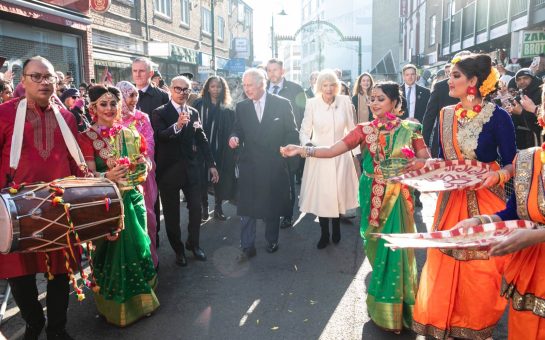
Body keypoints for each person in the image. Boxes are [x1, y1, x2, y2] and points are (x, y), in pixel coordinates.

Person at [281, 81, 430, 332]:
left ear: (395, 102)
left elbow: (425, 158)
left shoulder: (411, 129)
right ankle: (384, 307)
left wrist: (413, 163)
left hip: (398, 197)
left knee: (396, 250)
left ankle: (396, 311)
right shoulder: (363, 129)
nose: (373, 103)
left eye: (380, 99)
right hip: (372, 193)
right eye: (371, 99)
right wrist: (301, 150)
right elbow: (330, 150)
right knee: (375, 248)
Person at [413, 54, 517, 339]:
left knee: (482, 269)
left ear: (473, 82)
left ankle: (475, 326)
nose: (450, 79)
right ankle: (445, 322)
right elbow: (442, 159)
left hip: (486, 198)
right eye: (450, 74)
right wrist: (424, 165)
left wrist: (498, 175)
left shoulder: (498, 117)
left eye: (456, 75)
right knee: (445, 260)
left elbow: (513, 162)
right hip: (452, 200)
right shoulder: (447, 114)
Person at [0, 56, 82, 340]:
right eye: (36, 76)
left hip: (58, 208)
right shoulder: (4, 113)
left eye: (49, 77)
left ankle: (57, 329)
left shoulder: (68, 117)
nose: (44, 82)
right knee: (20, 275)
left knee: (60, 274)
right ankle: (34, 322)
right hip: (15, 211)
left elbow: (75, 165)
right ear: (23, 80)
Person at [451, 105, 545, 339]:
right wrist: (481, 220)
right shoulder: (530, 159)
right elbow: (514, 210)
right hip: (529, 271)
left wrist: (537, 235)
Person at [78, 85, 159, 327]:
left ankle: (142, 301)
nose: (109, 109)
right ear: (93, 108)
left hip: (133, 200)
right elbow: (85, 176)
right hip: (106, 204)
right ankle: (115, 307)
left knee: (137, 248)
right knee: (110, 254)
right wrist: (108, 176)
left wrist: (143, 166)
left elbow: (146, 163)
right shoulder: (87, 137)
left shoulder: (130, 133)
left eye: (113, 103)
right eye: (103, 104)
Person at [228, 68, 298, 261]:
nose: (246, 88)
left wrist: (288, 151)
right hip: (249, 164)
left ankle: (272, 240)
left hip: (273, 163)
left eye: (249, 84)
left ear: (262, 84)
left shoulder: (282, 104)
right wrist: (234, 137)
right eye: (244, 85)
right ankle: (247, 245)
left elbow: (292, 132)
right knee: (247, 207)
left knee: (272, 205)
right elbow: (238, 129)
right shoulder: (242, 107)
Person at [152, 76, 218, 266]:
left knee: (196, 210)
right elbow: (159, 137)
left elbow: (202, 139)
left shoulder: (194, 112)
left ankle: (194, 244)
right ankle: (178, 250)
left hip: (191, 170)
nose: (181, 93)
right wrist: (178, 126)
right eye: (178, 89)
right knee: (172, 216)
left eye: (185, 90)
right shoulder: (160, 113)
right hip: (168, 172)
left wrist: (212, 164)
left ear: (190, 92)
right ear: (171, 90)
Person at [298, 70, 359, 249]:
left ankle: (337, 228)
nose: (329, 88)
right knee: (323, 196)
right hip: (320, 155)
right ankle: (324, 233)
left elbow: (352, 130)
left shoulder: (345, 101)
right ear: (319, 87)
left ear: (337, 86)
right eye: (325, 85)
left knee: (338, 193)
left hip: (341, 155)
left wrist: (357, 154)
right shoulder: (312, 104)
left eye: (332, 84)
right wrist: (308, 146)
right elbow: (304, 130)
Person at [116, 80, 159, 268]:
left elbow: (149, 143)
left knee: (146, 218)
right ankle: (127, 267)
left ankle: (149, 262)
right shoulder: (111, 118)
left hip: (142, 176)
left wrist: (141, 160)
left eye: (135, 95)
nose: (134, 99)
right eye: (130, 95)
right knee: (122, 222)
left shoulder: (142, 118)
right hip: (119, 178)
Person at [132, 57, 169, 248]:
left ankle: (154, 236)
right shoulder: (125, 94)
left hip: (157, 154)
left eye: (142, 71)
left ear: (150, 73)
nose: (138, 75)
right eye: (135, 71)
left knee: (153, 197)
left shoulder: (162, 96)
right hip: (131, 156)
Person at [266, 58, 307, 229]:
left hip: (289, 144)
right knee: (268, 180)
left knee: (288, 182)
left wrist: (300, 143)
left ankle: (288, 215)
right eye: (269, 70)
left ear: (282, 71)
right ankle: (270, 211)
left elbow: (305, 117)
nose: (272, 73)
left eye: (275, 70)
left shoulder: (296, 89)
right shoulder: (263, 90)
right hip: (267, 145)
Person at [193, 76, 237, 221]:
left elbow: (232, 128)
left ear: (223, 89)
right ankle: (204, 209)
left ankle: (218, 208)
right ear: (207, 88)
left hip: (221, 148)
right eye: (212, 86)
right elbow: (192, 125)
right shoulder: (199, 104)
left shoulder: (228, 107)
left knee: (220, 178)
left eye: (219, 87)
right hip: (202, 148)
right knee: (201, 179)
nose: (216, 89)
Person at [422, 51, 472, 157]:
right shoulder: (441, 87)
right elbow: (429, 118)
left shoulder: (479, 86)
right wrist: (424, 146)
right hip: (443, 146)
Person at [505, 68, 543, 149]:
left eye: (525, 78)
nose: (522, 81)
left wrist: (521, 112)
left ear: (532, 79)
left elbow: (539, 123)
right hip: (524, 144)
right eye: (518, 79)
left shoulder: (541, 93)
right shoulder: (519, 97)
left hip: (539, 142)